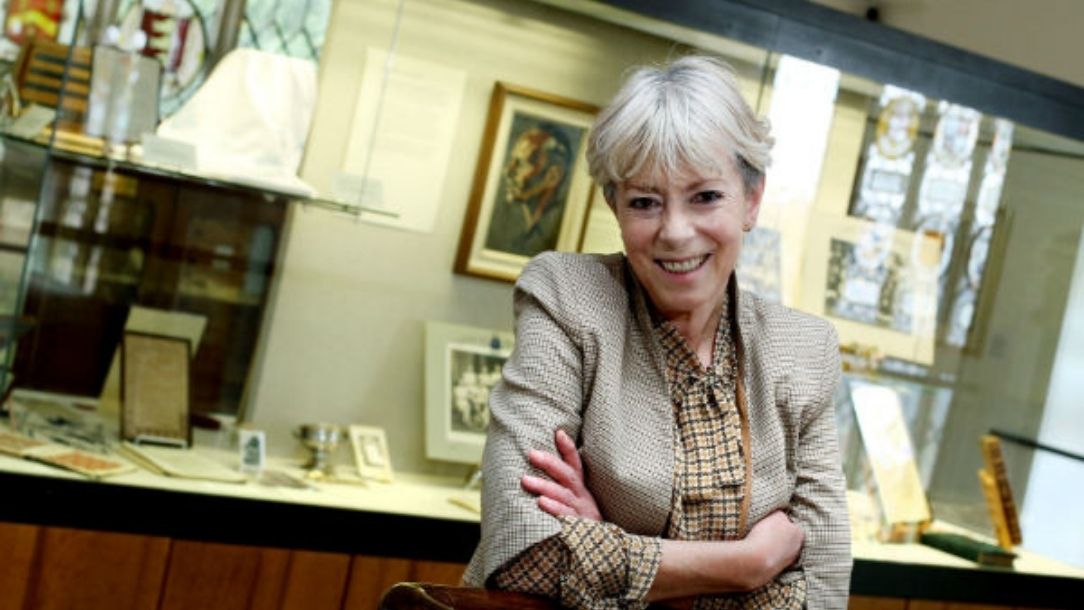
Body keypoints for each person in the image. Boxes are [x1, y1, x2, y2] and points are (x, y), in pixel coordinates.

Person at [463, 55, 851, 610]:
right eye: (645, 202)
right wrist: (747, 567)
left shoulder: (803, 349)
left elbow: (822, 593)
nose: (674, 231)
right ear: (613, 207)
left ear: (753, 199)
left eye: (706, 196)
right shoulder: (567, 296)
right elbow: (524, 549)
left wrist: (611, 551)